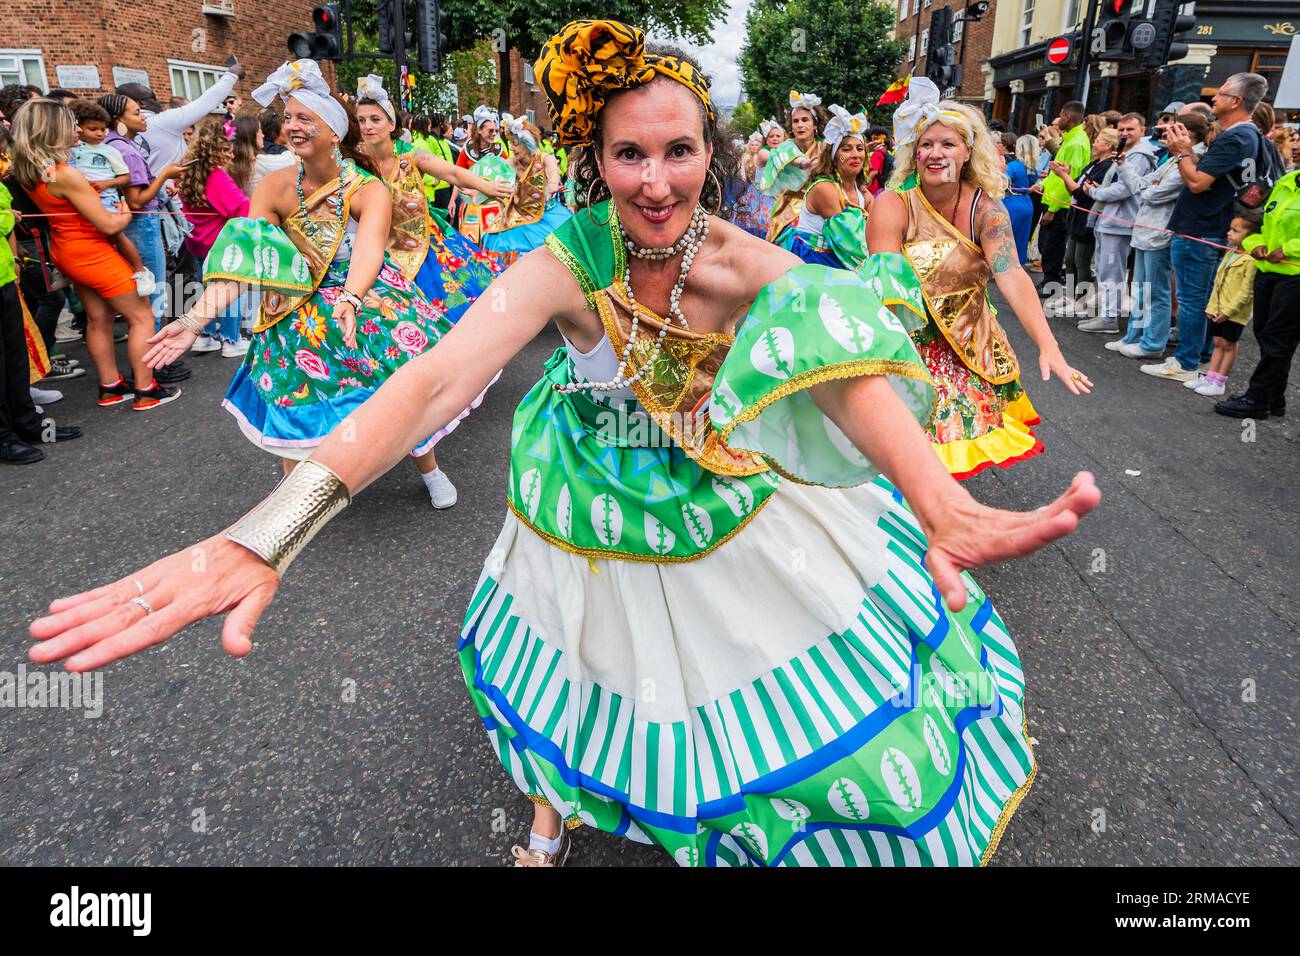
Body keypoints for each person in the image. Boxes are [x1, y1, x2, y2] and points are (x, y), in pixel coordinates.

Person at [28, 20, 1102, 870]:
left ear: (707, 155)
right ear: (594, 159)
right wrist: (269, 532)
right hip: (576, 493)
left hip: (707, 482)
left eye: (679, 151)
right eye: (628, 153)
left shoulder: (741, 259)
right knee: (572, 655)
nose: (655, 181)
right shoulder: (567, 259)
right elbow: (435, 376)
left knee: (736, 666)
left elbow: (845, 369)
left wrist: (932, 496)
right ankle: (551, 812)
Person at [147, 60, 481, 512]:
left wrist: (351, 298)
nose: (291, 127)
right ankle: (294, 502)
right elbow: (247, 257)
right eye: (288, 118)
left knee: (398, 385)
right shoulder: (274, 187)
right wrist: (194, 318)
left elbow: (369, 251)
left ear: (333, 131)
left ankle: (429, 467)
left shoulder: (366, 189)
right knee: (292, 400)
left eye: (305, 118)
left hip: (362, 298)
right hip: (292, 306)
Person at [874, 82, 1091, 479]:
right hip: (908, 345)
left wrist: (1050, 346)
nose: (935, 154)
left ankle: (940, 528)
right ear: (914, 152)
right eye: (926, 144)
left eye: (948, 144)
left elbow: (1012, 276)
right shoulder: (893, 205)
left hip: (968, 347)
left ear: (968, 151)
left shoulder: (986, 211)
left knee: (947, 457)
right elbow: (883, 287)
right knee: (901, 457)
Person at [11, 98, 183, 411]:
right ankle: (146, 389)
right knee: (142, 316)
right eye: (69, 125)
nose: (75, 130)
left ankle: (111, 386)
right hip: (93, 253)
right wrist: (126, 213)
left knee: (99, 318)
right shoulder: (64, 173)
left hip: (67, 252)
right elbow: (106, 223)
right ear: (52, 131)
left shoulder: (32, 171)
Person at [1142, 73, 1273, 384]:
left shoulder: (1235, 138)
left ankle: (1186, 361)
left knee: (1191, 298)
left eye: (1222, 93)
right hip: (1210, 227)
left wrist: (1183, 151)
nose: (1214, 98)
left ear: (1237, 101)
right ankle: (1198, 357)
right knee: (1201, 297)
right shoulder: (1246, 135)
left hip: (1200, 230)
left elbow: (1199, 183)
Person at [0, 174, 82, 463]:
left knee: (16, 358)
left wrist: (16, 259)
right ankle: (4, 438)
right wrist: (7, 217)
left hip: (5, 278)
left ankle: (29, 425)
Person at [1103, 113, 1197, 360]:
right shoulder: (1170, 160)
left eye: (1173, 130)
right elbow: (1140, 185)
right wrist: (1123, 165)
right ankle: (1134, 335)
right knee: (1141, 289)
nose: (1165, 134)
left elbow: (1152, 194)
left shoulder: (1189, 161)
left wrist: (1147, 188)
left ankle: (1153, 342)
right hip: (1143, 229)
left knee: (1156, 291)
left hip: (1159, 232)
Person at [1215, 167, 1300, 419]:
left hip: (1295, 275)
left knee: (1277, 339)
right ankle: (1275, 398)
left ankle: (1258, 398)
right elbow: (1258, 223)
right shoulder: (1286, 181)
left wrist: (1288, 249)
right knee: (1265, 335)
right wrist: (1256, 243)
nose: (1295, 146)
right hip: (1268, 270)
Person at [1076, 112, 1158, 334]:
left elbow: (1125, 188)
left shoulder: (1139, 156)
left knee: (1112, 271)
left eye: (1130, 129)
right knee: (1105, 270)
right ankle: (1106, 314)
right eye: (1122, 129)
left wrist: (1095, 192)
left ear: (1142, 130)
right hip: (1110, 218)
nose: (1124, 133)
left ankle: (1110, 318)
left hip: (1121, 220)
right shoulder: (1125, 152)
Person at [177, 117, 252, 358]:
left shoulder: (190, 172)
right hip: (220, 245)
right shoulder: (217, 177)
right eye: (228, 148)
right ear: (218, 149)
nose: (232, 153)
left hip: (197, 242)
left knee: (205, 288)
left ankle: (205, 335)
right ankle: (231, 339)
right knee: (229, 291)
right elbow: (241, 209)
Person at [67, 100, 152, 296]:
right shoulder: (73, 151)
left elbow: (126, 177)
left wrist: (106, 184)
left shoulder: (110, 150)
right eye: (93, 129)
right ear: (79, 128)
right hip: (81, 201)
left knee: (116, 235)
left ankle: (139, 270)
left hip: (106, 200)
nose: (99, 133)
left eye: (103, 129)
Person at [477, 111, 572, 267]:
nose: (512, 148)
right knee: (498, 239)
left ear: (527, 142)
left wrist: (554, 186)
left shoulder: (544, 158)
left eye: (515, 143)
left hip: (548, 214)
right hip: (520, 216)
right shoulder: (509, 164)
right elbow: (492, 183)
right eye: (510, 143)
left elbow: (553, 173)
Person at [788, 104, 872, 269]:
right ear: (834, 158)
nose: (855, 154)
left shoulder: (863, 193)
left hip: (839, 258)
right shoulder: (825, 189)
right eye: (846, 149)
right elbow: (851, 240)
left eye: (860, 148)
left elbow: (878, 226)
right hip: (813, 260)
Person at [1048, 128, 1119, 318]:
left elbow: (1081, 192)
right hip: (1076, 217)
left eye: (1099, 141)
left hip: (1089, 219)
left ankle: (1081, 300)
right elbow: (1076, 189)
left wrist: (1064, 176)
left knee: (1081, 261)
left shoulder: (1107, 167)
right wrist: (1067, 177)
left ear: (1109, 146)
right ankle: (1071, 296)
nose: (1094, 144)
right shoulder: (1094, 164)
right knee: (1070, 259)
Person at [1190, 211, 1260, 396]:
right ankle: (1210, 377)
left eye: (1235, 231)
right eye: (1230, 229)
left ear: (1251, 237)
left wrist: (1228, 311)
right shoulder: (1230, 253)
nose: (1229, 233)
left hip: (1234, 313)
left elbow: (1247, 292)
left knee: (1229, 344)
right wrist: (1212, 307)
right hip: (1218, 309)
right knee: (1218, 341)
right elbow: (1218, 283)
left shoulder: (1251, 260)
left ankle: (1220, 382)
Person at [1034, 101, 1089, 300]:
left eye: (1061, 115)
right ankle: (1048, 281)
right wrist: (1043, 185)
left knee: (1053, 247)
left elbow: (1069, 179)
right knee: (1046, 246)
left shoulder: (1076, 143)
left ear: (1068, 117)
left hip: (1059, 206)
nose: (1059, 119)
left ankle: (1052, 284)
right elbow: (1056, 172)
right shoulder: (1070, 140)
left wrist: (1054, 209)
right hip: (1051, 200)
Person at [764, 90, 825, 245]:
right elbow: (791, 158)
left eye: (805, 120)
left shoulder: (824, 148)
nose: (800, 125)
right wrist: (803, 163)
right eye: (796, 121)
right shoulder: (786, 146)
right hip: (788, 210)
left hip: (820, 209)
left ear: (815, 124)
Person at [999, 132, 1035, 264]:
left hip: (1012, 203)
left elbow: (1002, 182)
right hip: (1026, 203)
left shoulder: (1015, 166)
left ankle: (1004, 267)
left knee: (1006, 239)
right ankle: (1018, 266)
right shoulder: (1032, 168)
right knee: (1021, 239)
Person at [251, 108, 296, 192]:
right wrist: (288, 145)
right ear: (278, 129)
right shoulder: (279, 152)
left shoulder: (256, 146)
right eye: (284, 125)